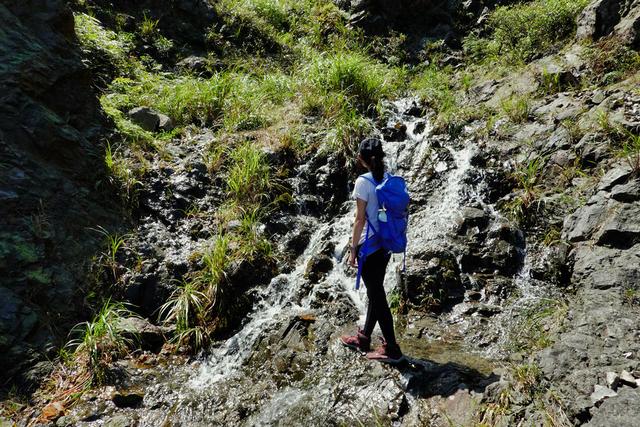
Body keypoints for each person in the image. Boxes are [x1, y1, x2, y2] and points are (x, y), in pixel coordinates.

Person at [340, 138, 403, 363]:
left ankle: (392, 348)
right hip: (385, 243)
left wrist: (352, 249)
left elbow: (359, 220)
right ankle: (364, 337)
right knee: (375, 292)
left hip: (369, 245)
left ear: (361, 159)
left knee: (377, 295)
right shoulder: (387, 177)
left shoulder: (362, 182)